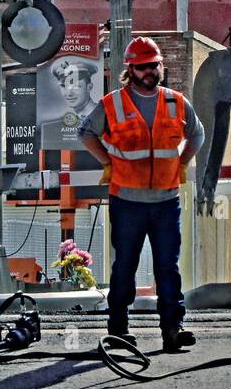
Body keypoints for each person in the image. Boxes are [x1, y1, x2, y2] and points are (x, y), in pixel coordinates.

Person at [78, 36, 205, 353]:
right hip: (127, 202)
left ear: (161, 66)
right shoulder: (113, 104)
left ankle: (172, 329)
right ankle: (118, 330)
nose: (150, 71)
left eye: (154, 65)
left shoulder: (175, 102)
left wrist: (183, 161)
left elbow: (197, 133)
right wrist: (107, 161)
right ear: (130, 70)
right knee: (125, 267)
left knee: (168, 268)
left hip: (166, 201)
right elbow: (86, 132)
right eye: (142, 67)